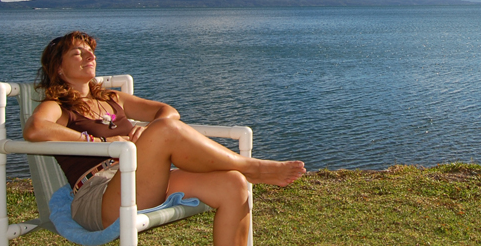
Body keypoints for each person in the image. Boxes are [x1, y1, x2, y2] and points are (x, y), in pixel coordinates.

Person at [23, 31, 305, 246]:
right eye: (78, 53)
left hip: (140, 179)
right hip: (98, 198)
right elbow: (35, 129)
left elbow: (167, 112)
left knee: (233, 184)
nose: (90, 56)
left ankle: (246, 171)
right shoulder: (58, 106)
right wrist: (99, 144)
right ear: (59, 68)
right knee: (166, 131)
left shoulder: (112, 98)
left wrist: (149, 131)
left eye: (91, 52)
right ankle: (253, 167)